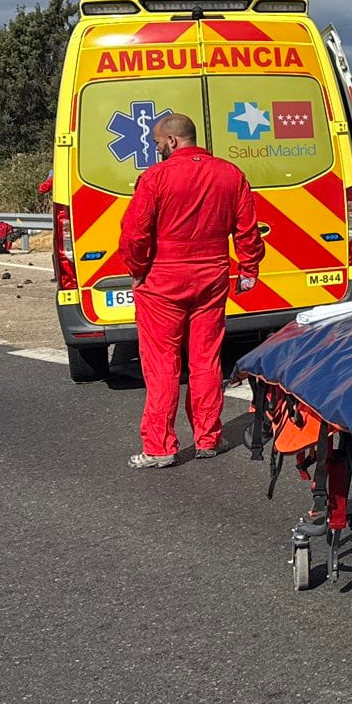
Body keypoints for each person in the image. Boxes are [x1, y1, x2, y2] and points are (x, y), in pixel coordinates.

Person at [115, 112, 265, 470]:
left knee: (162, 364)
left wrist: (137, 270)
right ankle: (208, 438)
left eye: (156, 143)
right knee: (205, 359)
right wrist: (248, 269)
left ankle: (160, 447)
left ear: (171, 140)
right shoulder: (230, 175)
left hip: (162, 282)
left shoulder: (156, 178)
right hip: (211, 277)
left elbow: (135, 233)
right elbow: (247, 230)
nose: (155, 149)